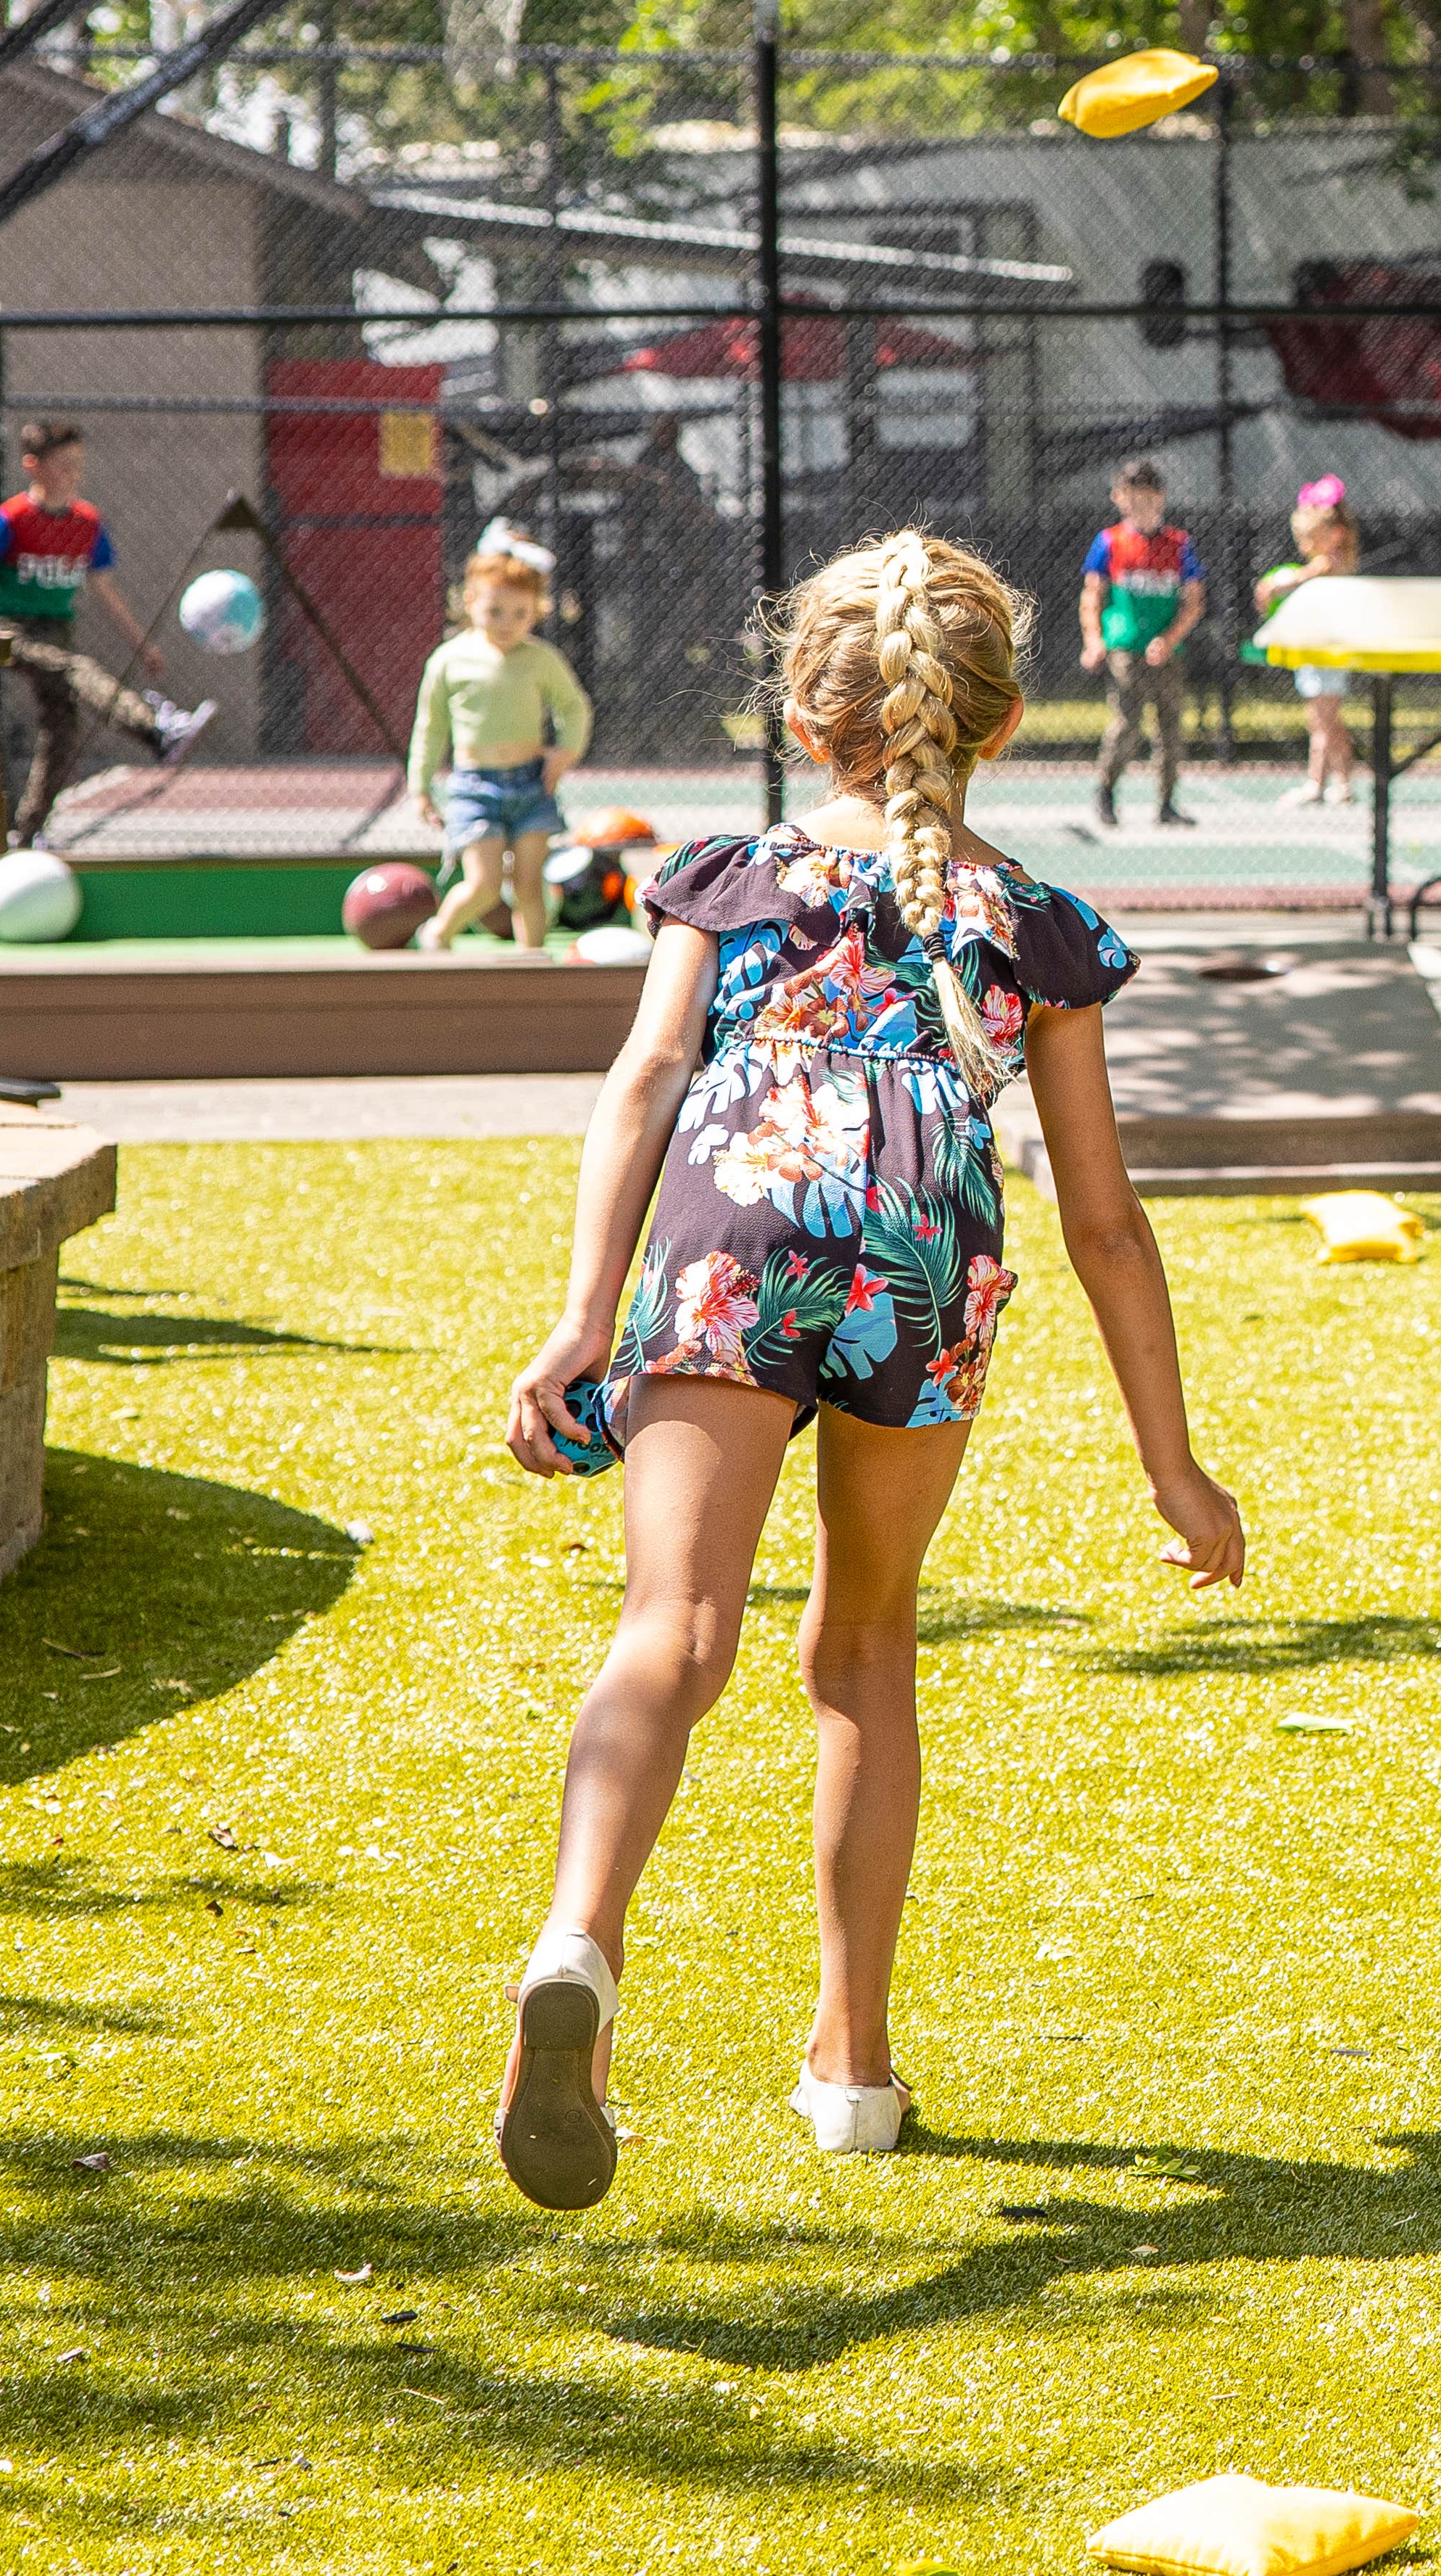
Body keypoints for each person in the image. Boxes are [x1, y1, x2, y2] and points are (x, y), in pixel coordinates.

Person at [489, 530, 1244, 2212]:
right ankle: (851, 2066)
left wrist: (584, 1313)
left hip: (738, 1214)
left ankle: (578, 1941)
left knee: (674, 1627)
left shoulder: (731, 875)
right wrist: (1170, 1461)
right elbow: (1106, 1222)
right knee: (862, 1645)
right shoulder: (1036, 925)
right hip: (923, 1250)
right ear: (1003, 721)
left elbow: (644, 1078)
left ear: (801, 719)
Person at [0, 419, 216, 845]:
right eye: (63, 465)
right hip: (13, 634)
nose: (73, 474)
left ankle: (27, 834)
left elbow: (106, 591)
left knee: (62, 731)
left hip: (58, 631)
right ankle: (155, 729)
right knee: (75, 669)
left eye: (77, 464)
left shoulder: (87, 522)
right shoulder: (9, 519)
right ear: (33, 466)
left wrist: (143, 646)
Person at [408, 543, 597, 955]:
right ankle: (438, 934)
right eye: (495, 612)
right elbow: (430, 727)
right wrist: (420, 788)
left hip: (532, 784)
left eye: (521, 614)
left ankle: (533, 964)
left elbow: (574, 706)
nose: (508, 623)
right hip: (475, 788)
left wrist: (565, 752)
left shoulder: (541, 659)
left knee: (529, 884)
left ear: (537, 611)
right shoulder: (449, 660)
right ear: (469, 602)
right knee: (484, 885)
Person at [1077, 464, 1203, 831]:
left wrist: (1169, 639)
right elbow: (1092, 596)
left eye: (1148, 497)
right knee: (1128, 724)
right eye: (1132, 497)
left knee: (1170, 729)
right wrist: (1094, 640)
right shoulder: (1109, 542)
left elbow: (1194, 602)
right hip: (1125, 649)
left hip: (1166, 652)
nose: (1141, 505)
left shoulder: (1179, 545)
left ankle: (1166, 802)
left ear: (1161, 498)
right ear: (1119, 499)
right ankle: (1106, 792)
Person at [1256, 475, 1364, 809]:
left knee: (1324, 721)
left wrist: (1277, 585)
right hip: (1315, 650)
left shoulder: (1331, 563)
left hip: (1328, 652)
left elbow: (1305, 575)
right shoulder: (1322, 563)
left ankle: (1323, 783)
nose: (1304, 547)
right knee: (1325, 721)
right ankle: (1335, 783)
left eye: (1310, 539)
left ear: (1335, 534)